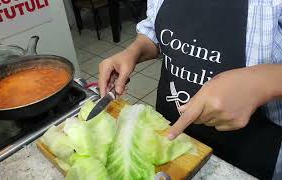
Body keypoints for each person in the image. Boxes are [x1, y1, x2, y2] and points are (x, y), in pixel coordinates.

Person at [98, 0, 282, 179]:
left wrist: (262, 81)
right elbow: (155, 32)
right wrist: (134, 51)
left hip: (248, 157)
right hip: (170, 142)